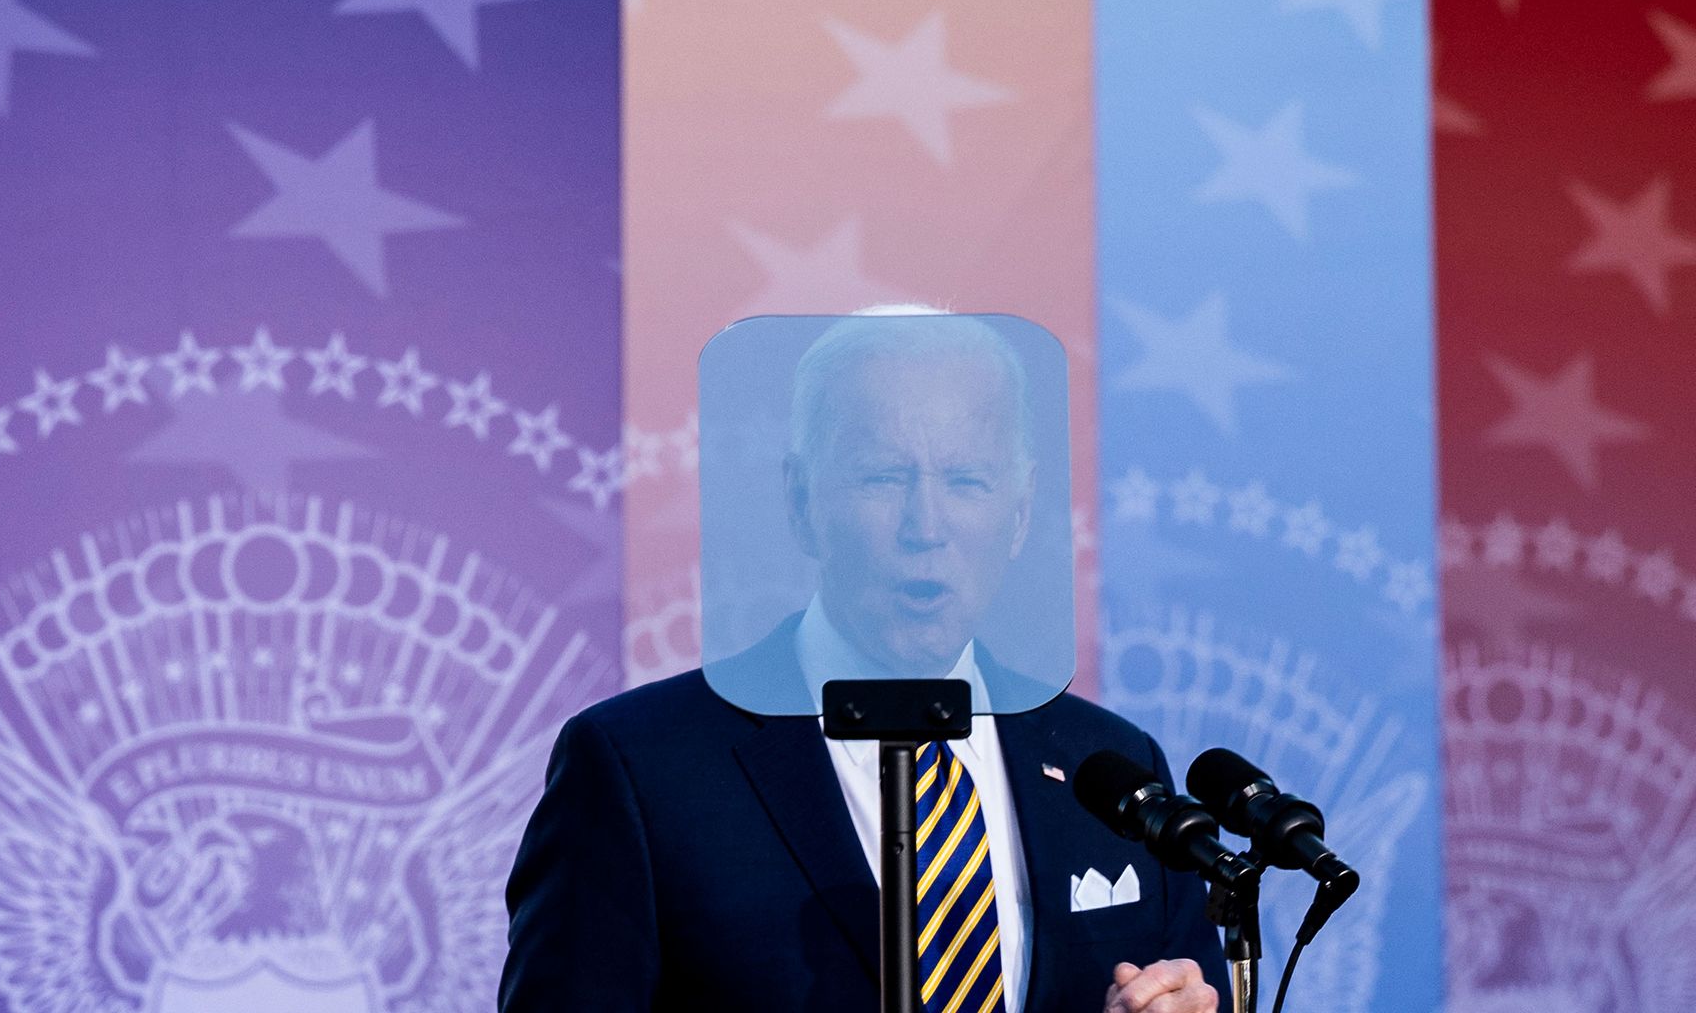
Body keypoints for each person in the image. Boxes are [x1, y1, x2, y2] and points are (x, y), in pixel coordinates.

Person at [501, 312, 1224, 1013]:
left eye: (967, 481)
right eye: (882, 478)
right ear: (800, 500)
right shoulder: (642, 768)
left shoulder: (1113, 768)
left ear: (1022, 510)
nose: (926, 527)